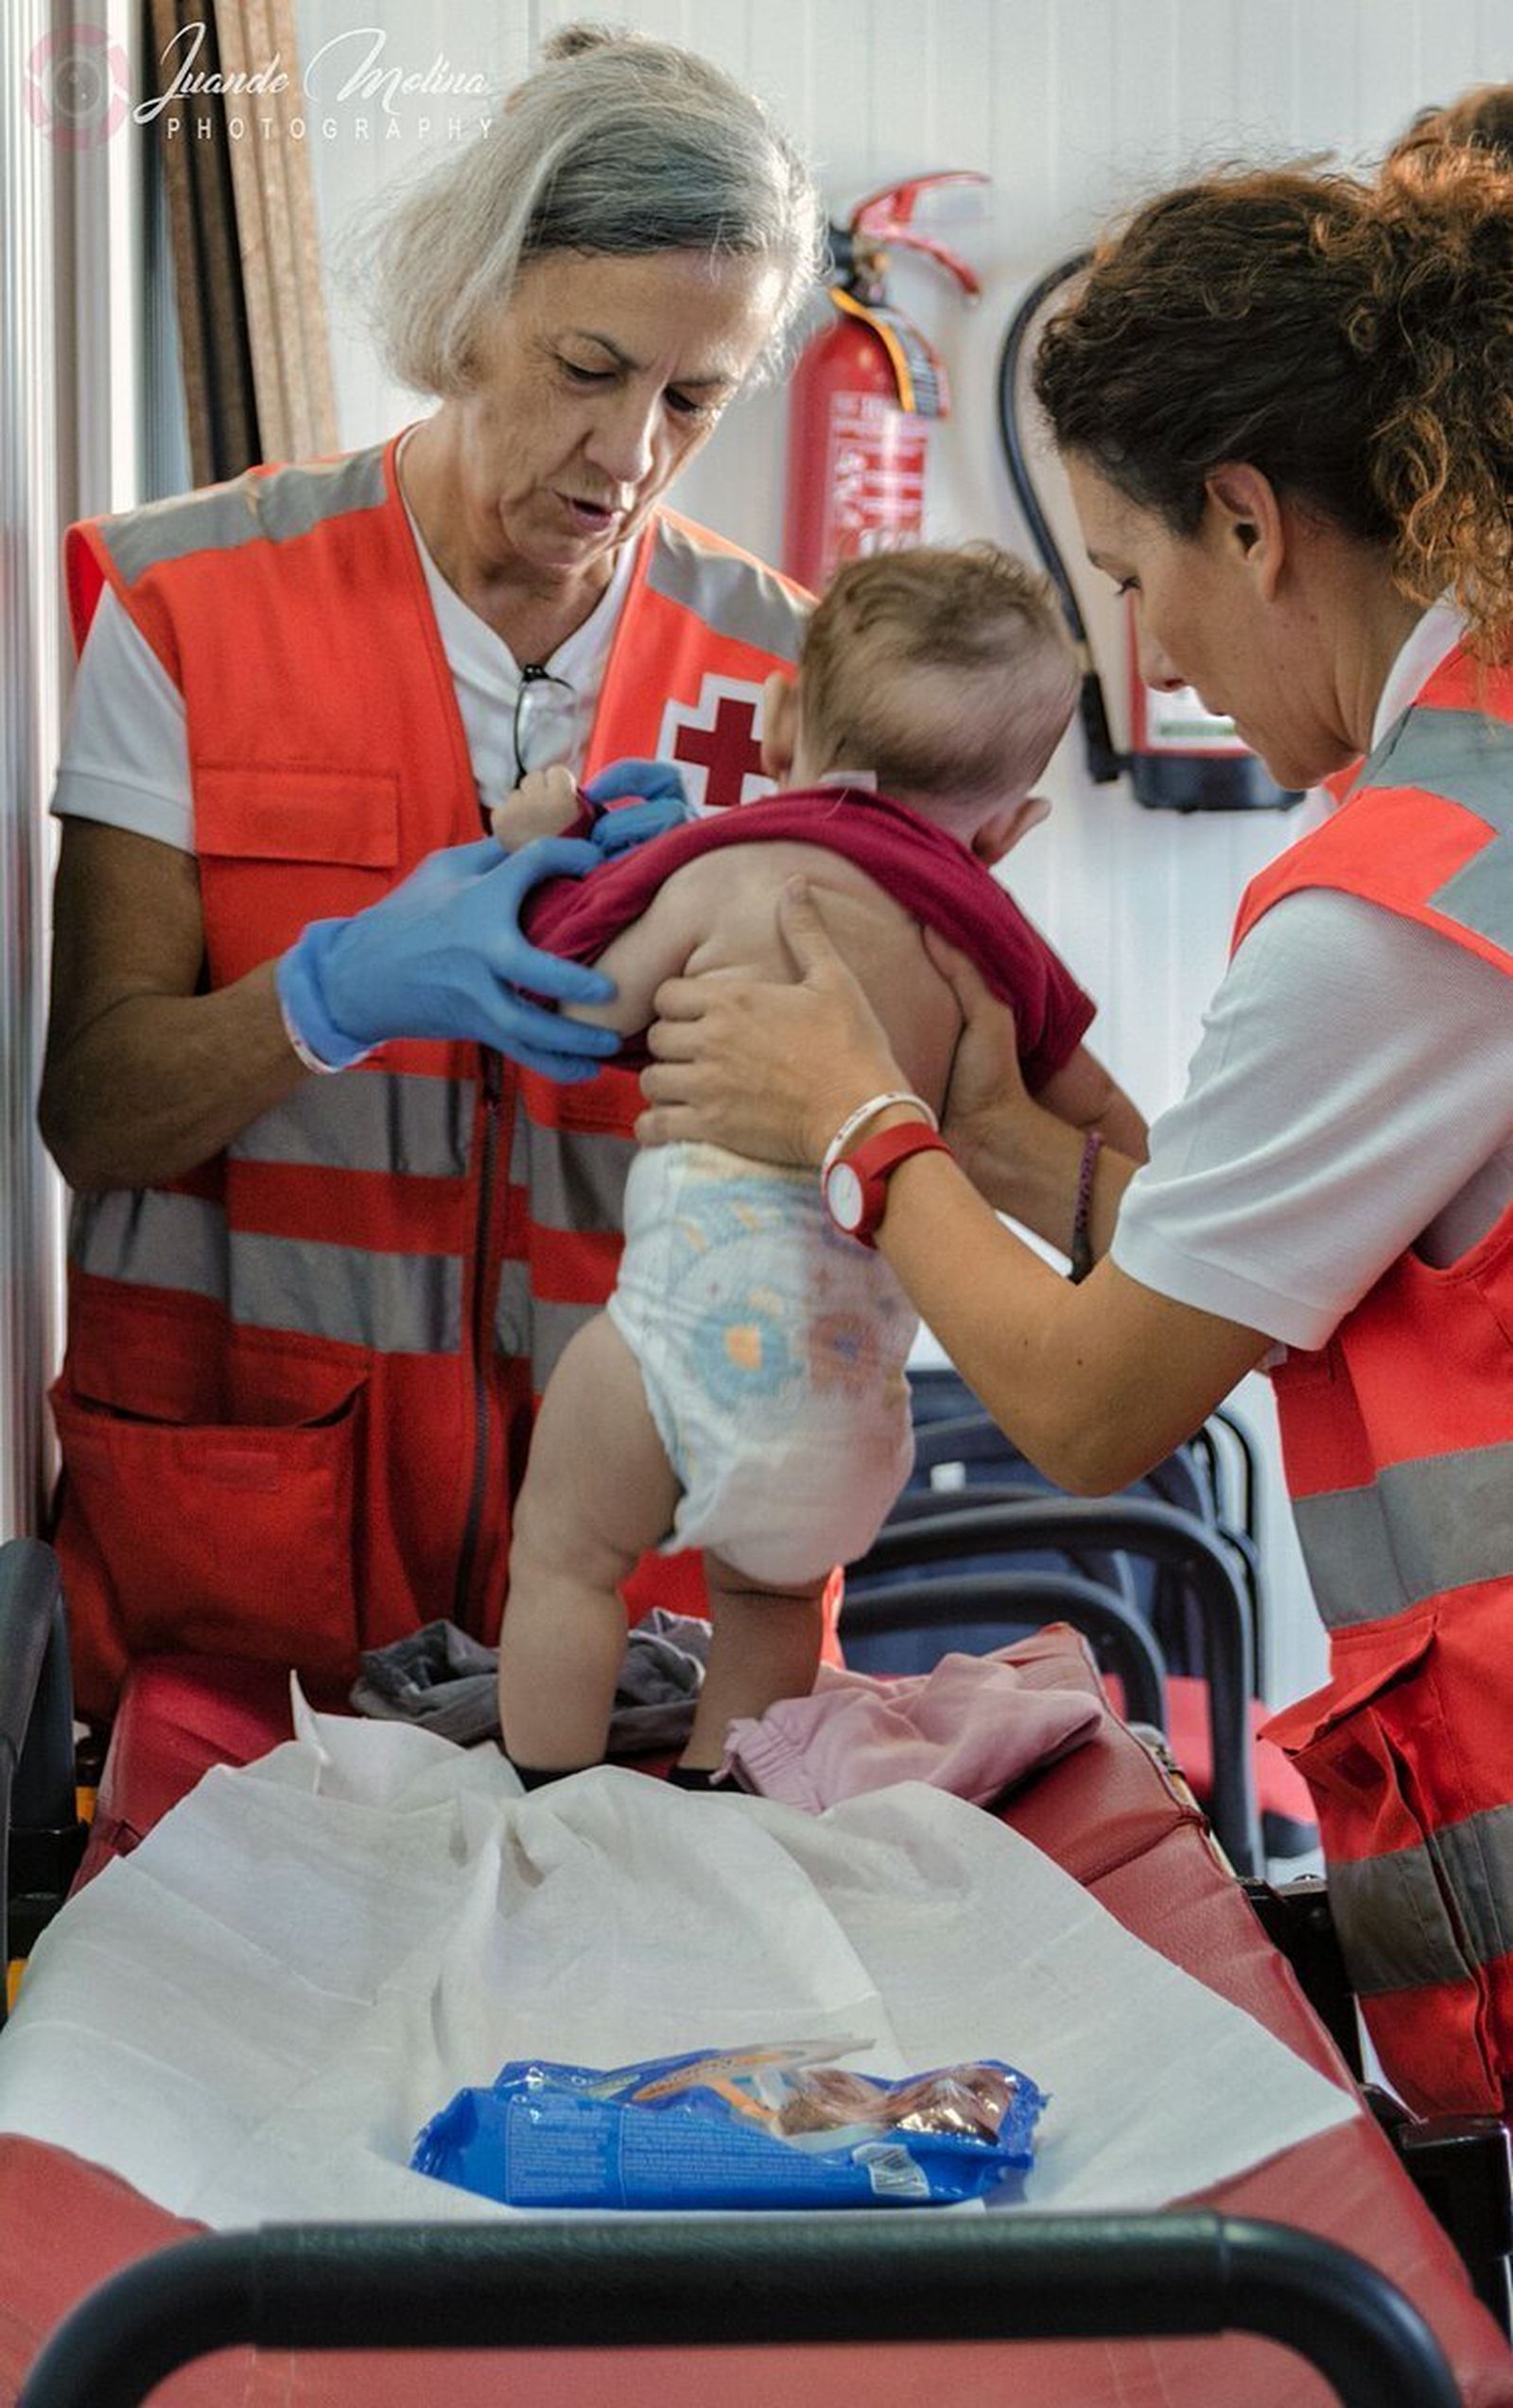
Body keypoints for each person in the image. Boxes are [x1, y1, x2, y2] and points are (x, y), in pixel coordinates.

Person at [633, 148, 1513, 2121]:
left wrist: (856, 1123)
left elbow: (1091, 1403)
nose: (1156, 661)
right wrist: (981, 1139)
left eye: (1130, 579)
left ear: (1246, 520)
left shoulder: (1398, 909)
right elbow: (1287, 1244)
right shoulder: (1473, 788)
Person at [37, 25, 828, 1720]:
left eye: (691, 398)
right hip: (255, 1568)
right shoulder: (190, 610)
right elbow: (94, 1112)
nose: (627, 458)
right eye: (587, 366)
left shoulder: (793, 681)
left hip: (651, 1591)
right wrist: (327, 994)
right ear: (467, 307)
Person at [485, 544, 1144, 1784]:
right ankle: (724, 1812)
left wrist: (548, 841)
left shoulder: (731, 868)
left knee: (567, 1552)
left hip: (678, 1337)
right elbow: (1122, 1154)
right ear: (1010, 824)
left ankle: (547, 1803)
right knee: (772, 1607)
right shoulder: (1000, 955)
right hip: (842, 1396)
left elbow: (571, 1002)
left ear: (784, 723)